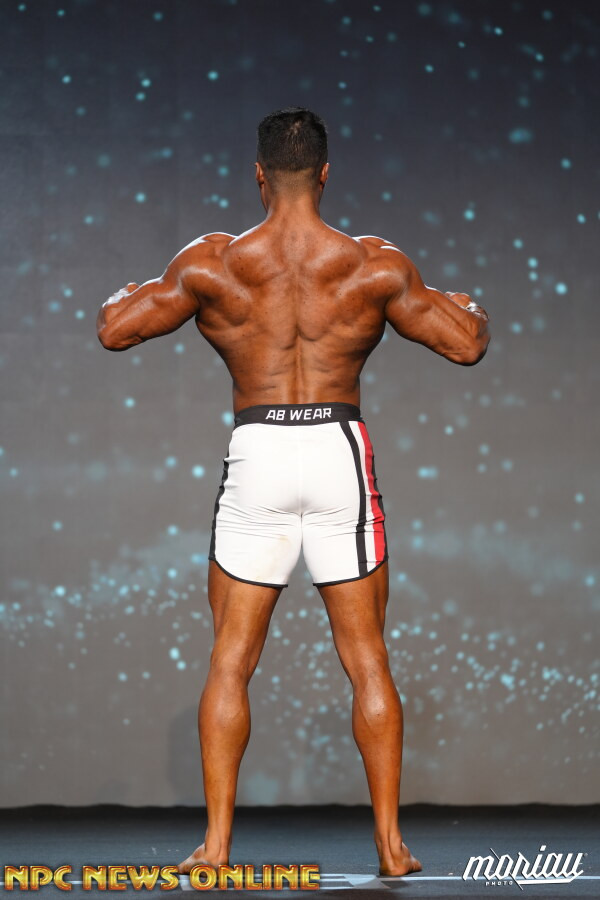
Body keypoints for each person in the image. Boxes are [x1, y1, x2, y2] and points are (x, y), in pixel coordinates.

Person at [96, 107, 490, 878]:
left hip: (260, 452)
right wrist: (471, 306)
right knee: (368, 658)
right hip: (339, 452)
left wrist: (127, 290)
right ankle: (391, 847)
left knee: (230, 660)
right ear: (325, 173)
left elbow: (115, 328)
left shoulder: (213, 262)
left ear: (258, 174)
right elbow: (467, 343)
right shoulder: (373, 265)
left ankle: (216, 847)